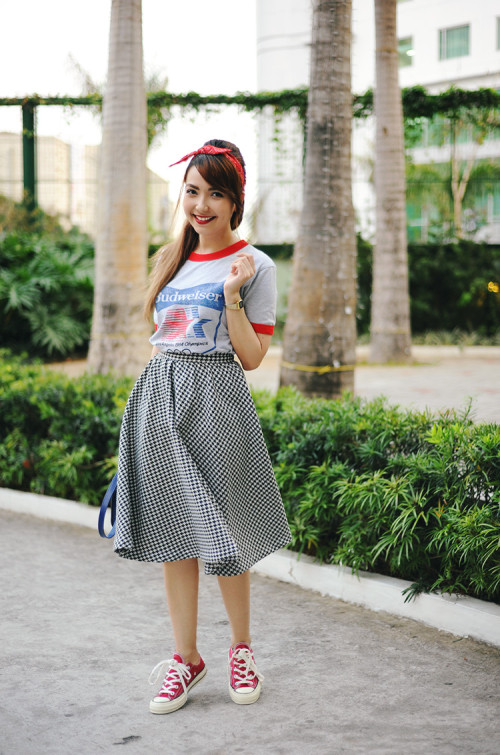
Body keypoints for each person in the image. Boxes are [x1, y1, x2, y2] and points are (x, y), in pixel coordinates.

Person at [113, 139, 292, 715]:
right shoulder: (170, 258)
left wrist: (232, 295)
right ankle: (186, 658)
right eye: (193, 191)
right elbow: (161, 340)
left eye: (216, 193)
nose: (201, 205)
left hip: (217, 401)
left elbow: (253, 357)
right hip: (159, 398)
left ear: (235, 200)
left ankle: (241, 650)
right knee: (176, 534)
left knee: (225, 533)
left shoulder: (256, 265)